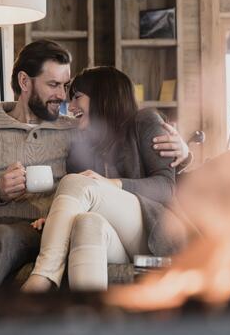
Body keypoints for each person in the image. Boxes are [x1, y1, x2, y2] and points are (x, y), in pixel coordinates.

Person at [0, 40, 189, 293]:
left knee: (6, 235)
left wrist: (186, 153)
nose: (64, 97)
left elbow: (159, 178)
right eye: (54, 85)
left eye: (68, 88)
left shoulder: (75, 130)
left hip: (28, 227)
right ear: (24, 81)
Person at [22, 66, 189, 292]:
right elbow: (85, 201)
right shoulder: (87, 144)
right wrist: (57, 218)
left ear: (103, 96)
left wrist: (111, 183)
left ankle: (42, 278)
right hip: (121, 242)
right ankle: (89, 318)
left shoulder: (145, 120)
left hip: (160, 235)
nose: (70, 107)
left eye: (77, 97)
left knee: (75, 181)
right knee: (87, 223)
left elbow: (166, 187)